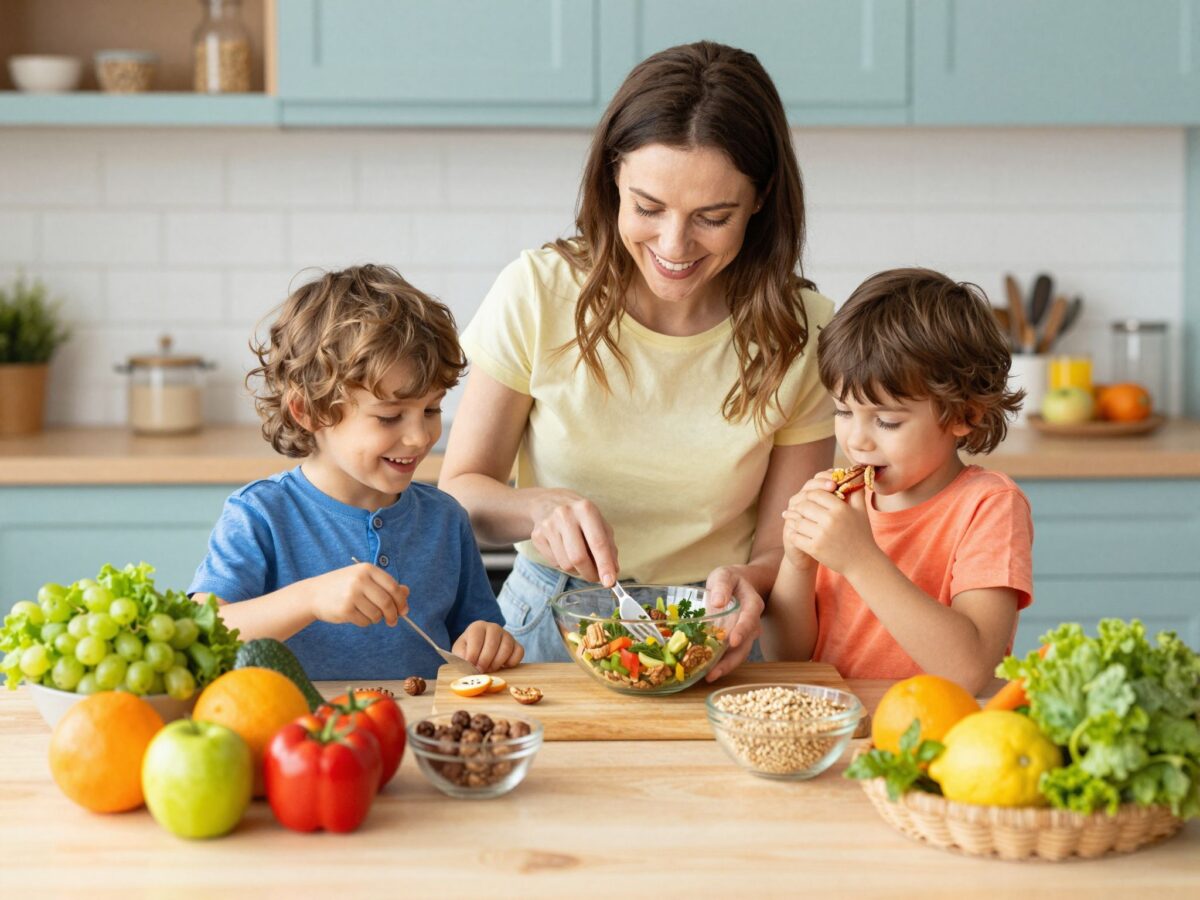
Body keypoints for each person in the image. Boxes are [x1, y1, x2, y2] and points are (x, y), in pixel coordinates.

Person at [438, 41, 836, 675]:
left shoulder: (804, 333)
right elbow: (458, 495)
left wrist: (747, 585)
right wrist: (535, 507)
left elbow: (780, 551)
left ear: (760, 201)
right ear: (612, 180)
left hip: (713, 632)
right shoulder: (539, 292)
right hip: (552, 624)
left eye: (713, 216)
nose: (674, 245)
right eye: (648, 208)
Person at [189, 265, 522, 680]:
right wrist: (309, 598)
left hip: (423, 734)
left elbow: (476, 629)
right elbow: (204, 632)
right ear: (310, 411)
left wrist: (487, 638)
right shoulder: (260, 514)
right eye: (389, 417)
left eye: (431, 410)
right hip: (302, 735)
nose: (420, 437)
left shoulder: (445, 518)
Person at [766, 268, 1032, 693]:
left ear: (964, 414)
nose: (856, 440)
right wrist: (796, 563)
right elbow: (785, 656)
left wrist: (859, 558)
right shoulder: (843, 504)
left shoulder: (988, 505)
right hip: (840, 726)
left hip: (945, 730)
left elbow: (970, 671)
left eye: (887, 421)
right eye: (843, 412)